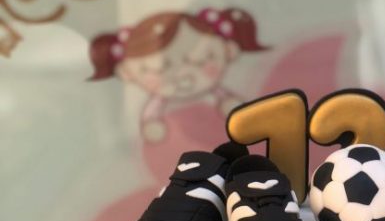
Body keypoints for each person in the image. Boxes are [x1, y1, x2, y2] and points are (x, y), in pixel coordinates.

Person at [89, 8, 268, 141]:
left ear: (229, 50)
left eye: (201, 60)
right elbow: (150, 120)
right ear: (127, 72)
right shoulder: (155, 105)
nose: (183, 76)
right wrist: (152, 127)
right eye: (159, 70)